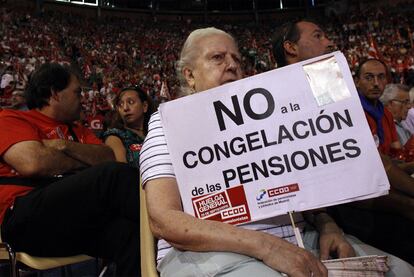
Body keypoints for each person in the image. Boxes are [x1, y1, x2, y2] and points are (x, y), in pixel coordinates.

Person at [141, 27, 413, 277]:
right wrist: (266, 247)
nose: (233, 65)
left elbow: (305, 193)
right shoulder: (168, 124)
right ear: (189, 75)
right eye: (217, 58)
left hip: (300, 239)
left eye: (236, 59)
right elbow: (165, 220)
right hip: (211, 252)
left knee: (401, 271)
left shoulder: (267, 118)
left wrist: (328, 226)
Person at [273, 19, 414, 266]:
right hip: (325, 210)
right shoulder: (274, 98)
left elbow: (372, 160)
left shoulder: (328, 85)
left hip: (354, 196)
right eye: (318, 36)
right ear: (290, 47)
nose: (328, 42)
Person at [0, 63, 141, 276]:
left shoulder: (78, 131)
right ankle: (174, 222)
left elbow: (109, 157)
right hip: (23, 218)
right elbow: (33, 163)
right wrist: (83, 160)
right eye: (76, 92)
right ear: (55, 94)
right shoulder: (12, 118)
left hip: (72, 220)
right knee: (111, 176)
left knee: (132, 234)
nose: (82, 98)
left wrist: (63, 146)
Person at [102, 86, 153, 168]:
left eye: (131, 102)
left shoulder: (158, 132)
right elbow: (123, 173)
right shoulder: (115, 137)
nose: (125, 108)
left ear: (144, 106)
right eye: (120, 104)